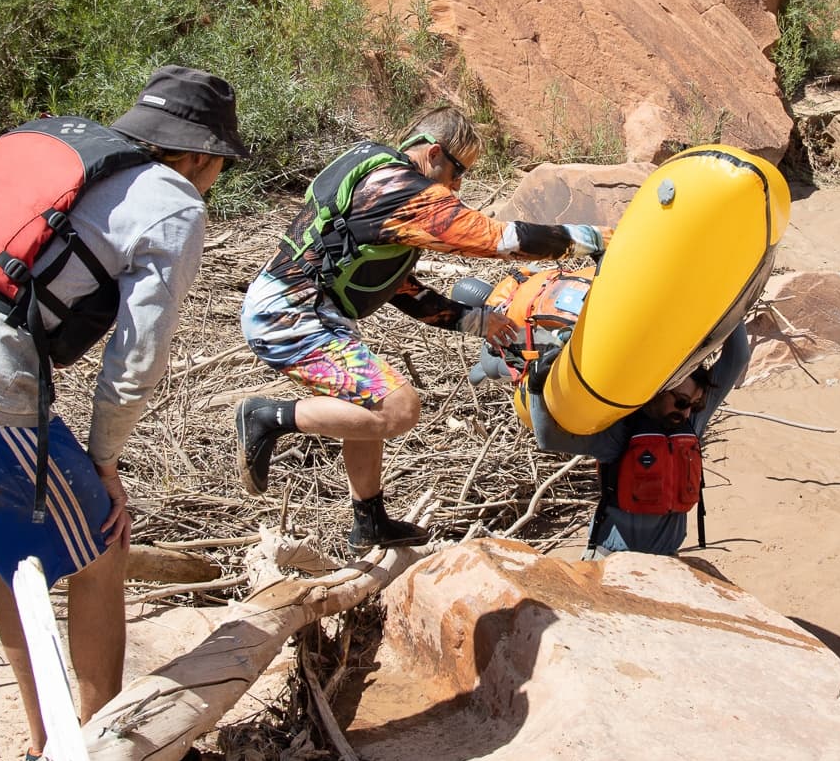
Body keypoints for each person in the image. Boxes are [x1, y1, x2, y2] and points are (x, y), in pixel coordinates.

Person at [0, 65, 246, 761]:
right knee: (102, 548)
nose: (215, 178)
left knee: (22, 564)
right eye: (220, 164)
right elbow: (137, 359)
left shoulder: (59, 146)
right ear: (198, 155)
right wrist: (106, 462)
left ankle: (49, 744)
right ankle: (105, 749)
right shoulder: (173, 202)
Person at [234, 105, 611, 548]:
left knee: (366, 409)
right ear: (434, 154)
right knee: (397, 409)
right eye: (457, 172)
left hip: (298, 308)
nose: (458, 187)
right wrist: (592, 239)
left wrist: (474, 320)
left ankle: (369, 520)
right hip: (291, 314)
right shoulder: (398, 188)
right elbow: (496, 239)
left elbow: (399, 288)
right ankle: (266, 416)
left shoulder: (374, 181)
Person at [526, 325, 752, 558]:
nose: (686, 413)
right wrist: (535, 388)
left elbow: (738, 358)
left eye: (696, 405)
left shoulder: (691, 423)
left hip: (666, 558)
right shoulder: (620, 432)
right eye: (682, 403)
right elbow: (549, 438)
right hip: (611, 558)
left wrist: (734, 304)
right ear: (660, 391)